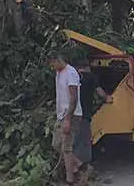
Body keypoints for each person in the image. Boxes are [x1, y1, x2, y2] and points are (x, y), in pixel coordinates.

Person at [48, 54, 83, 185]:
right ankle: (79, 164)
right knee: (56, 144)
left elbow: (73, 98)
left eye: (53, 65)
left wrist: (68, 119)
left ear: (58, 60)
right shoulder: (59, 73)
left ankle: (70, 180)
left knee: (66, 148)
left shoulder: (71, 73)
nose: (52, 68)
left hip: (71, 115)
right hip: (61, 115)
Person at [74, 60, 112, 174]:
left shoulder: (73, 76)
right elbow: (100, 93)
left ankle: (74, 167)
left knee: (75, 140)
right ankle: (83, 168)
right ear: (88, 66)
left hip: (73, 114)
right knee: (85, 141)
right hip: (85, 114)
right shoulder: (91, 77)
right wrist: (108, 98)